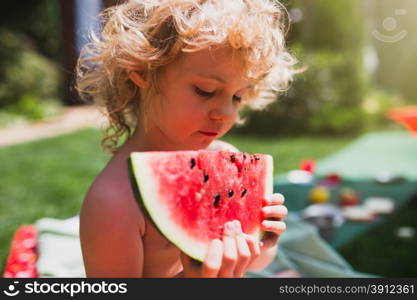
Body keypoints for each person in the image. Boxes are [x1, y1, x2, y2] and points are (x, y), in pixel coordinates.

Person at [77, 0, 297, 278]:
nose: (226, 113)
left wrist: (263, 243)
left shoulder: (224, 158)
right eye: (205, 91)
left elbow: (252, 263)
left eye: (238, 96)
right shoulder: (113, 202)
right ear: (142, 71)